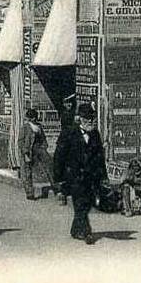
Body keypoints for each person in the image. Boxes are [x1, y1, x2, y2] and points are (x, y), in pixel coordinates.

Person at [53, 102, 107, 244]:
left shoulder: (95, 134)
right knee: (80, 203)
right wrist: (58, 181)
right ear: (80, 119)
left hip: (91, 177)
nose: (90, 121)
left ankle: (75, 229)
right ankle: (86, 232)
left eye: (92, 118)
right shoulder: (68, 133)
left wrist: (103, 177)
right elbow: (59, 157)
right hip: (74, 177)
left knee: (87, 203)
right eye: (87, 118)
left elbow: (100, 156)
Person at [18, 108, 54, 200]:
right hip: (28, 151)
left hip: (39, 149)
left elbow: (43, 138)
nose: (33, 120)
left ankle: (55, 187)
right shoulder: (25, 127)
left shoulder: (39, 127)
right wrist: (25, 153)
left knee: (49, 165)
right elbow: (20, 141)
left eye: (34, 118)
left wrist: (44, 147)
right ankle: (30, 193)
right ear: (29, 118)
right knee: (27, 172)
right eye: (31, 118)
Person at [53, 94, 77, 205]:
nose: (69, 105)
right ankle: (62, 193)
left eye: (70, 103)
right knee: (61, 166)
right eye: (67, 103)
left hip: (70, 144)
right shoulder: (66, 115)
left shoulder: (72, 115)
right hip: (65, 144)